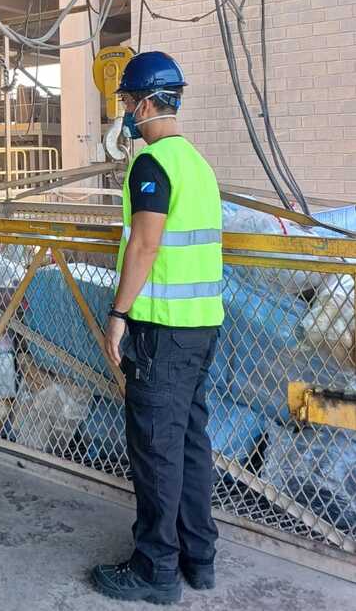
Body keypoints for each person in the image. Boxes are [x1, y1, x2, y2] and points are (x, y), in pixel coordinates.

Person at [90, 52, 224, 605]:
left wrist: (117, 315)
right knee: (189, 445)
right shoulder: (196, 162)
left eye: (125, 101)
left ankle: (154, 569)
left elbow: (145, 244)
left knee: (156, 451)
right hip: (201, 328)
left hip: (162, 331)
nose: (123, 112)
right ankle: (199, 558)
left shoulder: (153, 164)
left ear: (145, 102)